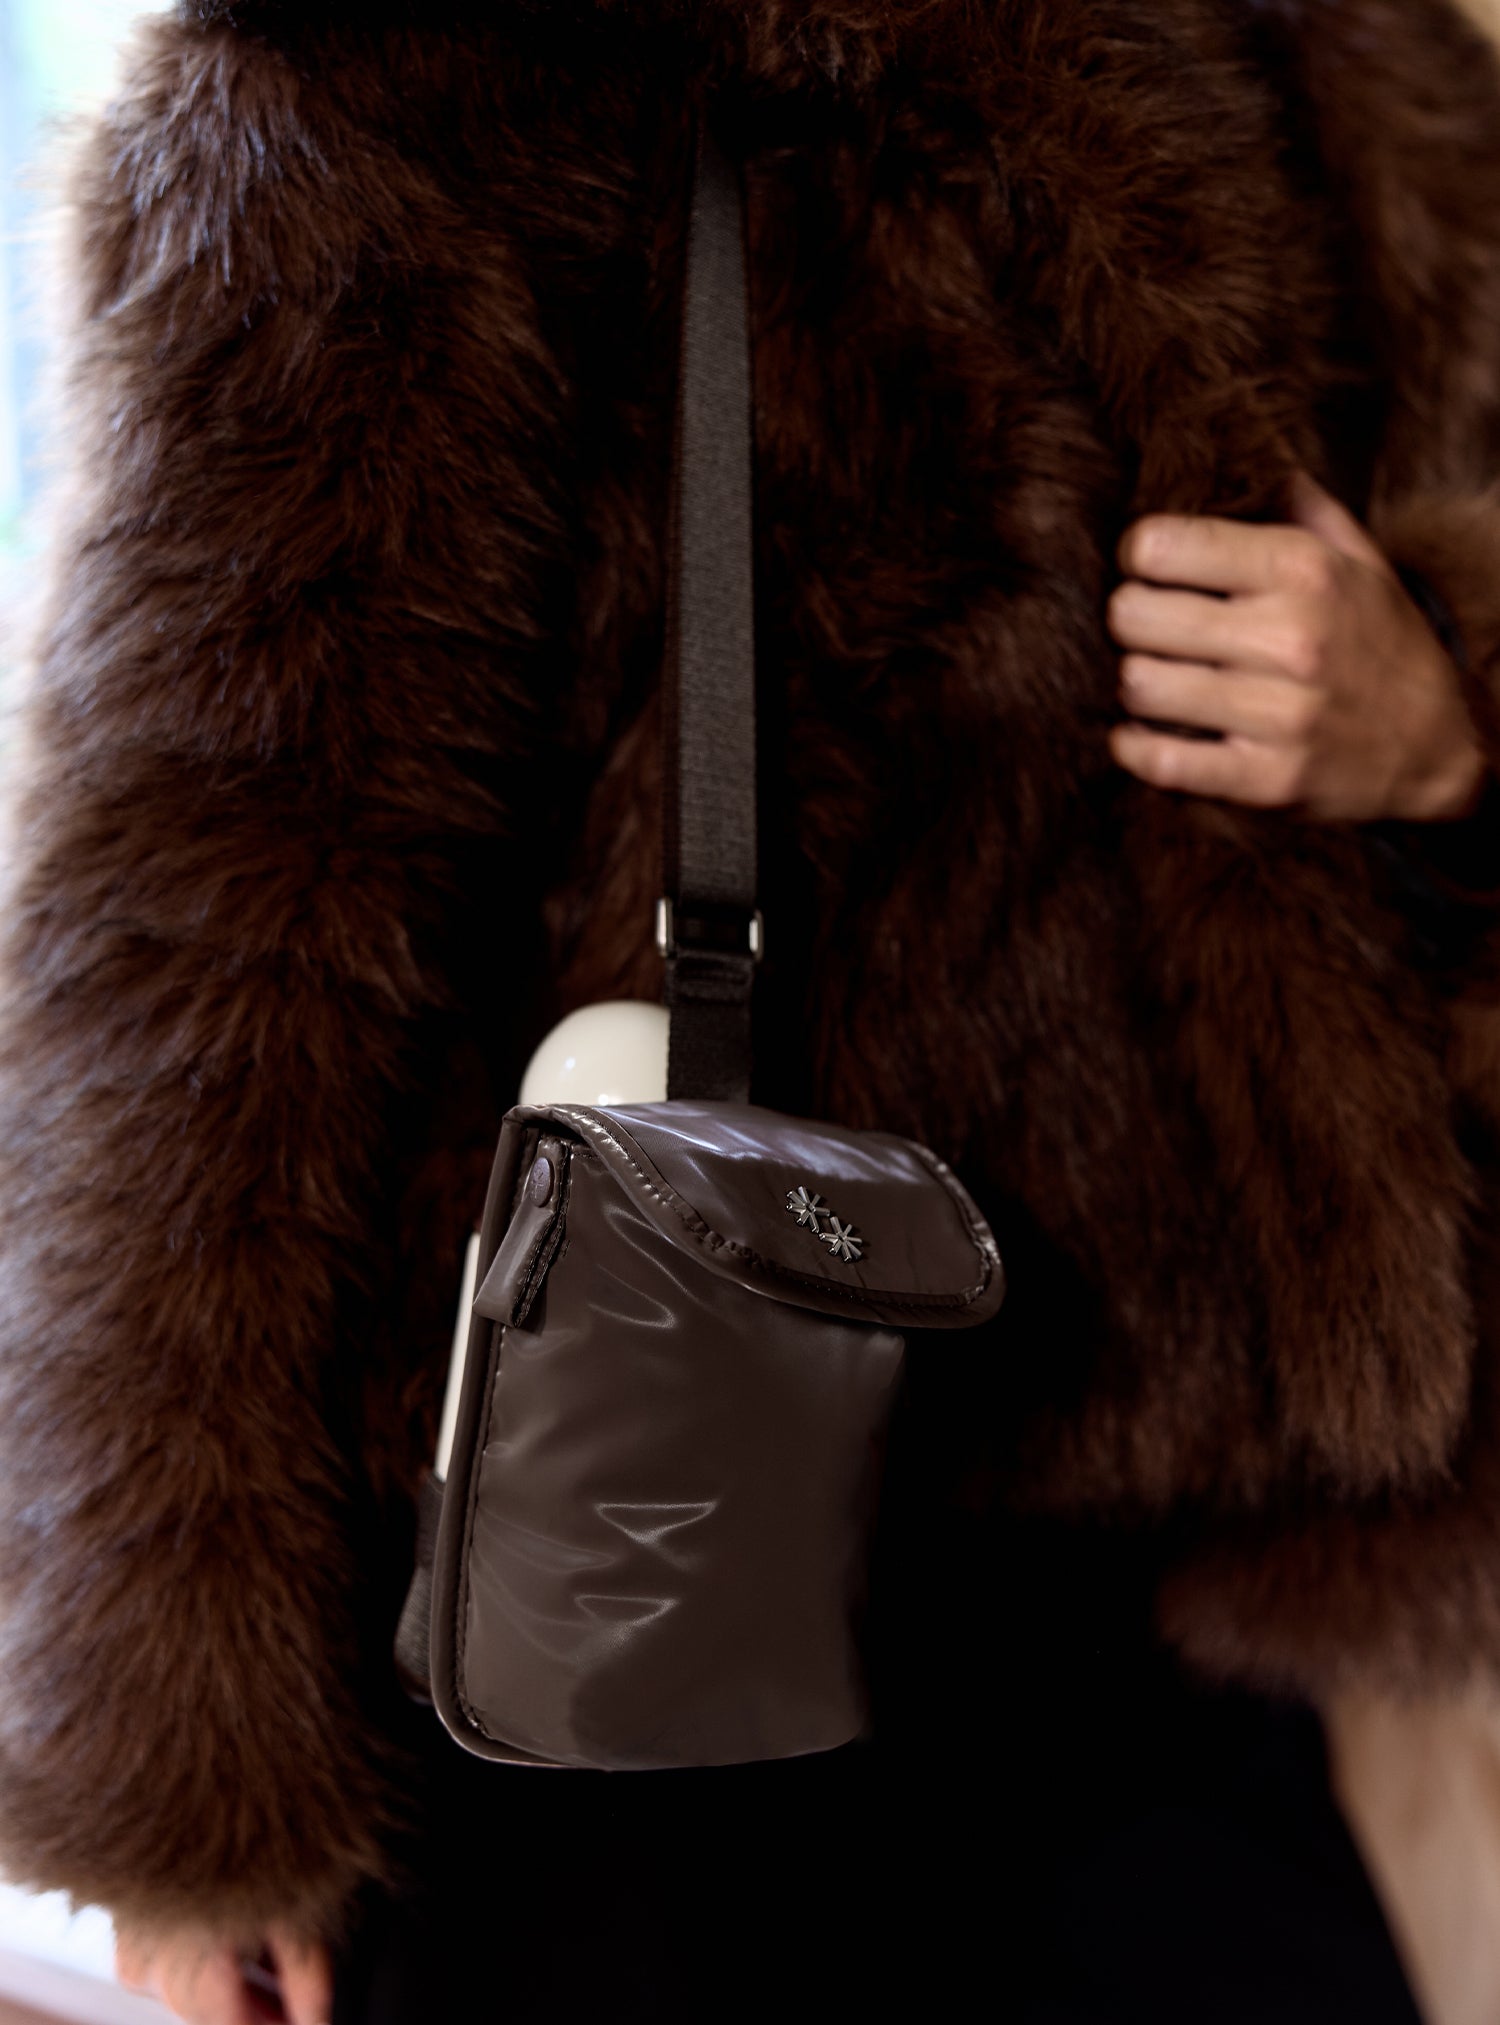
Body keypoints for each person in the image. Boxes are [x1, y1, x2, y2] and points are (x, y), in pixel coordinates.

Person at [3, 0, 1500, 2017]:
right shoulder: (376, 78)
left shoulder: (1328, 57)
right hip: (579, 1568)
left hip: (1134, 1582)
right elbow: (187, 959)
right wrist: (179, 1766)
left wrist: (1446, 714)